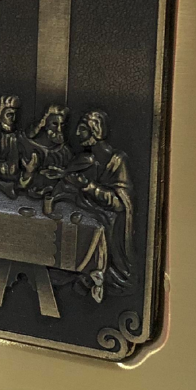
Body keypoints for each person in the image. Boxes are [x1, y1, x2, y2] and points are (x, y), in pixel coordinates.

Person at [64, 110, 136, 287]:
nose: (77, 133)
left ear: (94, 131)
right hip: (87, 216)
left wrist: (88, 186)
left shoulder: (118, 161)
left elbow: (120, 204)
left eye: (82, 129)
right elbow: (68, 182)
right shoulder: (85, 159)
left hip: (111, 226)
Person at [20, 104, 73, 200]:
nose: (59, 129)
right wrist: (28, 173)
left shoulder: (65, 152)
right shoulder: (27, 147)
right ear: (44, 124)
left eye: (62, 124)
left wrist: (64, 175)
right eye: (54, 124)